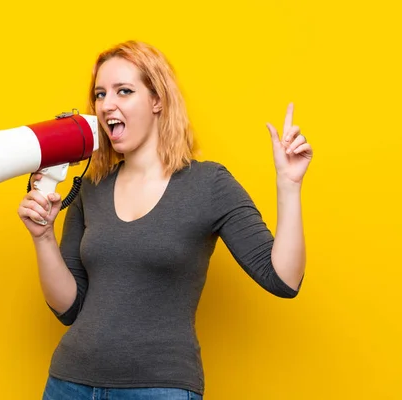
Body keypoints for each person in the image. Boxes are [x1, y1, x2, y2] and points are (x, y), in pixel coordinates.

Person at [17, 40, 312, 400]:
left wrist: (289, 185)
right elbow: (69, 308)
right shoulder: (91, 187)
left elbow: (283, 279)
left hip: (160, 389)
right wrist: (43, 236)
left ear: (157, 100)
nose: (107, 104)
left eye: (124, 91)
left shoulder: (209, 184)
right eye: (100, 94)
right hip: (70, 383)